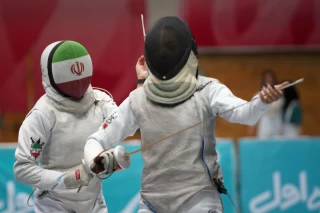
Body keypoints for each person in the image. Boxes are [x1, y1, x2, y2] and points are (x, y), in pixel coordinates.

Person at [83, 17, 288, 213]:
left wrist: (261, 101)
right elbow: (96, 140)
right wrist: (97, 160)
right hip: (153, 203)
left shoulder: (207, 90)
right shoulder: (139, 99)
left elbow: (245, 114)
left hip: (198, 198)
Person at [13, 40, 147, 213]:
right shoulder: (42, 115)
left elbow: (126, 124)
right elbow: (22, 169)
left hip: (94, 204)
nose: (77, 86)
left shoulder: (100, 101)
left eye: (82, 79)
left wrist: (142, 85)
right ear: (51, 78)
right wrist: (66, 179)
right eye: (69, 82)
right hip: (54, 206)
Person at [248, 69, 284, 138]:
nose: (268, 80)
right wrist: (251, 129)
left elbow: (281, 112)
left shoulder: (279, 94)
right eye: (266, 78)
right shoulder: (257, 95)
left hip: (277, 125)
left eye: (270, 77)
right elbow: (253, 113)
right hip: (264, 126)